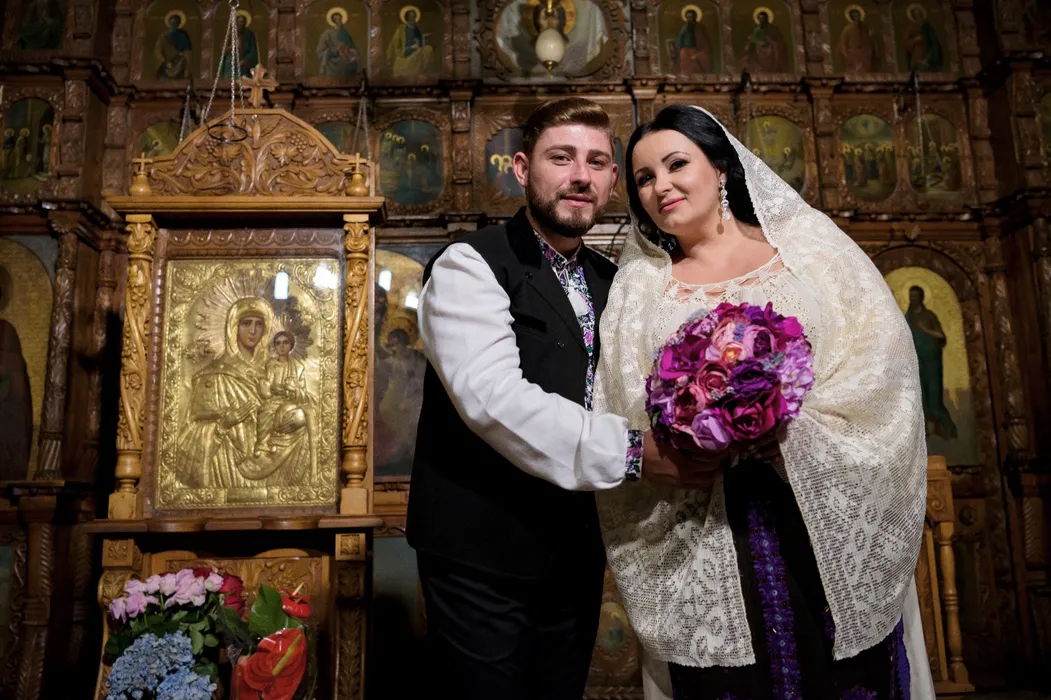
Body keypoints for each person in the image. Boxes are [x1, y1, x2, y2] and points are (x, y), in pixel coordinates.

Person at [594, 105, 935, 699]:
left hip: (824, 506)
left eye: (676, 165)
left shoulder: (809, 248)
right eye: (644, 178)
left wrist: (790, 428)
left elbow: (881, 360)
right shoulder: (641, 287)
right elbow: (622, 402)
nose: (660, 186)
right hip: (711, 526)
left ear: (721, 167)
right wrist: (695, 427)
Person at [407, 97, 711, 700]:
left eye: (597, 163)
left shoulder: (614, 281)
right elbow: (492, 398)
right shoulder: (470, 264)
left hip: (574, 553)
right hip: (479, 555)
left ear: (613, 181)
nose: (580, 176)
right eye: (561, 157)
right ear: (522, 169)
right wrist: (633, 453)